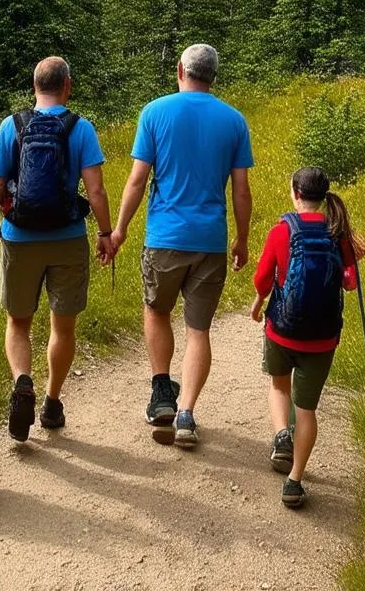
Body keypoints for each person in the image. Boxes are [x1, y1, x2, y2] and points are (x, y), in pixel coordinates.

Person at [108, 43, 253, 447]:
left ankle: (161, 393)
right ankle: (187, 412)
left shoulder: (155, 112)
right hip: (210, 240)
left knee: (156, 311)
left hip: (165, 238)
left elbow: (137, 180)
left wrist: (119, 229)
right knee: (198, 330)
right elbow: (241, 191)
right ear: (213, 76)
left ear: (179, 70)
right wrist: (241, 238)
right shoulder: (234, 121)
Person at [0, 57, 112, 441]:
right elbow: (95, 191)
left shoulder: (12, 126)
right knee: (63, 325)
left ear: (34, 85)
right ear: (67, 86)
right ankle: (52, 401)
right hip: (67, 238)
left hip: (19, 236)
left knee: (18, 322)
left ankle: (22, 381)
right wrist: (106, 233)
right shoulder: (81, 128)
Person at [250, 165, 365, 509]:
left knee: (278, 386)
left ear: (295, 193)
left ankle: (281, 436)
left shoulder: (281, 231)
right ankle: (295, 481)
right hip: (323, 339)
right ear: (324, 195)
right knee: (307, 409)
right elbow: (349, 281)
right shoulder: (338, 233)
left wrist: (259, 303)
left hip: (282, 331)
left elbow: (262, 279)